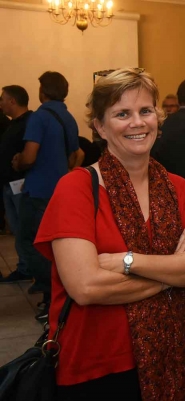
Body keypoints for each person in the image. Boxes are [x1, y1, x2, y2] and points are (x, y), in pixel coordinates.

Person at [34, 68, 185, 400]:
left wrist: (126, 261)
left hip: (174, 357)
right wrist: (173, 271)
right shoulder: (76, 188)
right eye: (122, 114)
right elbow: (87, 287)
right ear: (100, 126)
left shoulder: (178, 188)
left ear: (157, 118)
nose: (137, 122)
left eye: (145, 111)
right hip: (98, 363)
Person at [10, 71, 80, 321]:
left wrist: (18, 163)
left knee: (32, 241)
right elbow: (77, 154)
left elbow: (30, 156)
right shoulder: (67, 116)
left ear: (43, 91)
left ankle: (50, 295)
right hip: (59, 190)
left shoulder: (40, 116)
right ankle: (61, 294)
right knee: (57, 244)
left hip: (38, 189)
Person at [0, 85, 32, 283]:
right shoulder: (12, 124)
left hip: (20, 185)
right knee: (18, 230)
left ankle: (30, 269)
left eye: (3, 99)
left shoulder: (29, 122)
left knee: (25, 230)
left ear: (13, 101)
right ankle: (25, 267)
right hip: (8, 184)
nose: (1, 103)